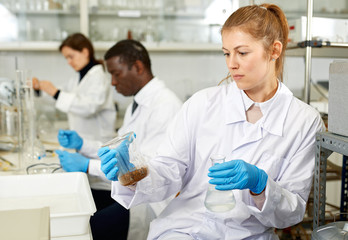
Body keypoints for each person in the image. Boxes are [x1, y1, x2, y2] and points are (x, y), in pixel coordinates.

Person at [98, 4, 326, 240]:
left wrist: (260, 185)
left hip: (248, 235)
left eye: (243, 53)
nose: (231, 63)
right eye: (227, 53)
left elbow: (292, 212)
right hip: (183, 229)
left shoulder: (304, 121)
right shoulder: (202, 103)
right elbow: (168, 170)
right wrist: (132, 172)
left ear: (275, 50)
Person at [55, 39, 183, 240]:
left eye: (116, 74)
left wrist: (88, 166)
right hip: (131, 193)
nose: (113, 82)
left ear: (138, 67)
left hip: (150, 203)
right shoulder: (139, 102)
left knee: (87, 228)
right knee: (76, 206)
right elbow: (118, 150)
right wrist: (83, 145)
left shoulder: (164, 106)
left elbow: (141, 170)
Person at [32, 33, 116, 142]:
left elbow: (89, 107)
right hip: (83, 141)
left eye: (71, 57)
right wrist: (39, 89)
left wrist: (55, 92)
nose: (68, 62)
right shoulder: (78, 77)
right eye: (66, 58)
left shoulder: (99, 76)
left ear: (85, 52)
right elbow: (62, 96)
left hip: (98, 141)